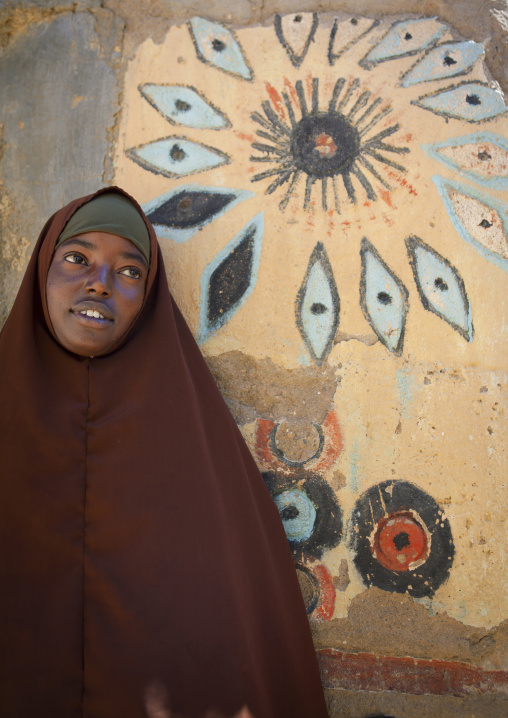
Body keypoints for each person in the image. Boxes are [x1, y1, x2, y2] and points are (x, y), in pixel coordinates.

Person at [0, 187, 329, 718]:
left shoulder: (200, 448)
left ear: (151, 293)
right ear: (43, 268)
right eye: (77, 258)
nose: (99, 283)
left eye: (130, 271)